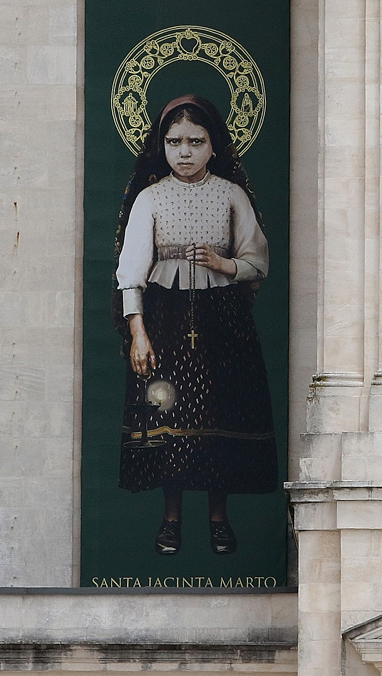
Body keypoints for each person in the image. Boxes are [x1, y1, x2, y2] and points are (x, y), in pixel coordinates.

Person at [114, 94, 278, 556]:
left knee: (218, 415)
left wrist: (224, 264)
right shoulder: (150, 198)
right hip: (164, 316)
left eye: (195, 141)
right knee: (170, 415)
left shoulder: (231, 194)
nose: (184, 151)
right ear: (161, 145)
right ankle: (170, 521)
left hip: (222, 319)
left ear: (213, 145)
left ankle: (219, 520)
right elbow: (131, 270)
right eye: (174, 141)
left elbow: (257, 261)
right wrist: (138, 332)